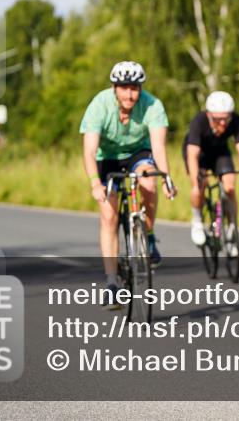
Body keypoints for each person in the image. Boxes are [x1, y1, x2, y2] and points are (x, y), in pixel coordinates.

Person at [80, 61, 176, 304]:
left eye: (134, 88)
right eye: (124, 88)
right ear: (114, 88)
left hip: (138, 154)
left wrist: (166, 177)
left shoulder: (152, 105)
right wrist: (94, 184)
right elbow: (89, 151)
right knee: (109, 216)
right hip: (107, 159)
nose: (130, 94)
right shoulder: (99, 105)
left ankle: (149, 235)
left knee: (149, 181)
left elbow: (158, 147)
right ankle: (111, 281)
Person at [182, 91, 239, 255]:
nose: (222, 123)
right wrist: (196, 182)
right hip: (198, 154)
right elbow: (192, 155)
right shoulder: (198, 122)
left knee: (229, 187)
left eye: (226, 118)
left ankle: (231, 229)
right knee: (199, 186)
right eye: (217, 119)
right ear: (209, 115)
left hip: (220, 153)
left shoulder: (236, 120)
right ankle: (197, 221)